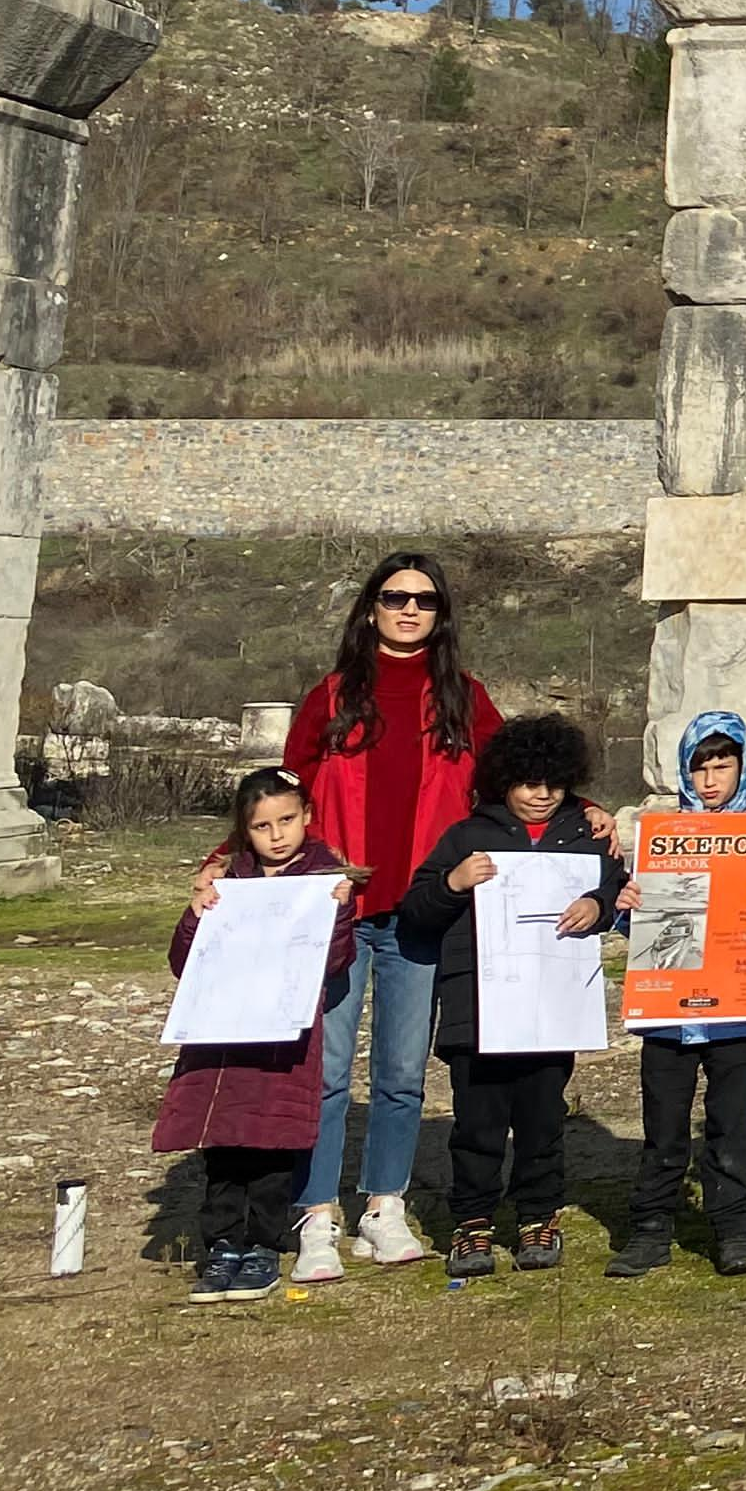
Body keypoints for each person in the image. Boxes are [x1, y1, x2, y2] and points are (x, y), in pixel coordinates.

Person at [280, 547, 505, 1280]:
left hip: (421, 913)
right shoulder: (332, 696)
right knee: (328, 1071)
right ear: (370, 607)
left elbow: (513, 784)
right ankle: (316, 1213)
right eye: (394, 596)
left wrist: (586, 812)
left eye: (425, 600)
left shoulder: (465, 699)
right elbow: (285, 799)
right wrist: (229, 858)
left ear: (441, 615)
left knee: (404, 1072)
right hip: (339, 912)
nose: (410, 609)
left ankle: (385, 1204)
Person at [393, 711, 615, 1280]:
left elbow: (616, 887)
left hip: (553, 1008)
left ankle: (539, 1215)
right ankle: (472, 1224)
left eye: (553, 783)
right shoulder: (466, 836)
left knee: (544, 1121)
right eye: (527, 783)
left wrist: (600, 905)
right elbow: (416, 912)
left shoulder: (586, 833)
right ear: (503, 780)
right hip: (479, 1011)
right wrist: (452, 883)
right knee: (478, 1126)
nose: (541, 795)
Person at [160, 766, 357, 1302]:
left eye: (287, 820)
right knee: (224, 1144)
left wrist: (339, 914)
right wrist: (194, 915)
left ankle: (264, 1246)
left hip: (285, 1040)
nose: (276, 835)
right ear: (244, 831)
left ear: (307, 817)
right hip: (222, 1040)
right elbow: (185, 962)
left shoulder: (327, 879)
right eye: (262, 826)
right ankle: (222, 1245)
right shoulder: (229, 881)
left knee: (273, 1143)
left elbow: (337, 961)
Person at [609, 710, 746, 1277]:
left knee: (731, 1124)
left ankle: (733, 1227)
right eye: (699, 767)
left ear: (742, 768)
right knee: (663, 1125)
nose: (710, 780)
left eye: (722, 767)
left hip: (733, 1010)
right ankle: (651, 1226)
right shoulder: (660, 838)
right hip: (666, 1011)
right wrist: (627, 907)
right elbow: (637, 925)